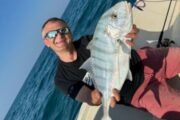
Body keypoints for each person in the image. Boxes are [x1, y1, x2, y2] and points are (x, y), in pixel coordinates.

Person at [41, 17, 180, 119]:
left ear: (69, 32)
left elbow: (117, 39)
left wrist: (126, 34)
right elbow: (90, 98)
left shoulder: (88, 41)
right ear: (46, 42)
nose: (59, 35)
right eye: (52, 34)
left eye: (62, 30)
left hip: (145, 60)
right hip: (138, 93)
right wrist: (99, 94)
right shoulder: (61, 78)